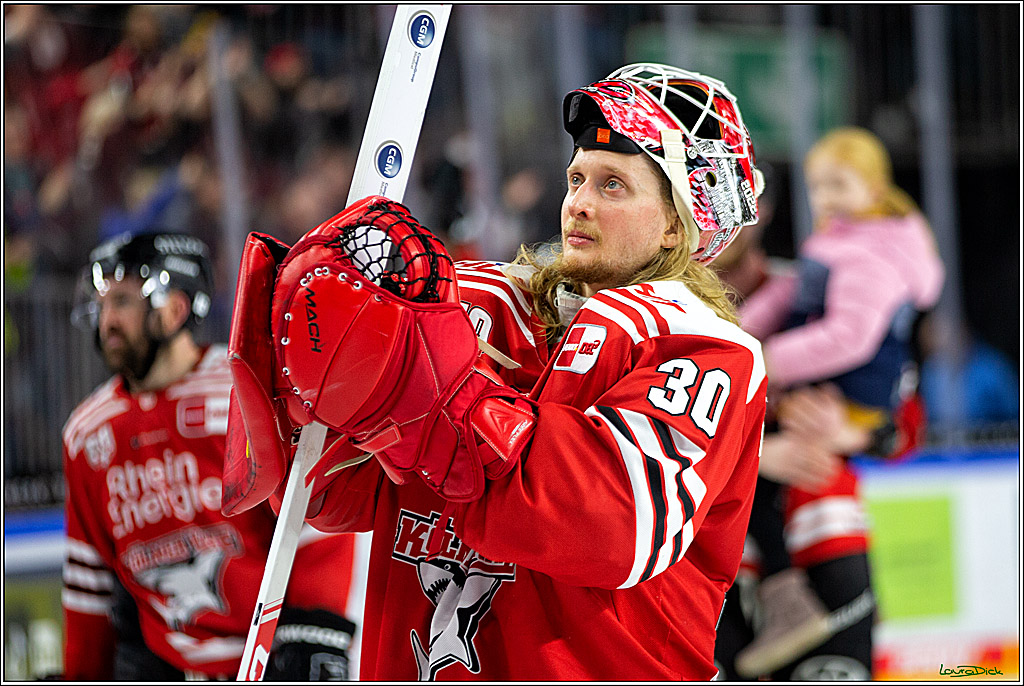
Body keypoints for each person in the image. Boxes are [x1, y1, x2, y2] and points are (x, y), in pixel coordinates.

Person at [226, 63, 768, 680]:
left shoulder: (704, 350)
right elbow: (331, 492)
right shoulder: (477, 309)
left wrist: (445, 393)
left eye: (613, 185)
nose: (579, 204)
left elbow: (612, 523)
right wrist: (321, 368)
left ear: (680, 221)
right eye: (577, 178)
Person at [61, 232, 358, 680]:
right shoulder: (87, 434)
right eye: (102, 304)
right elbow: (88, 581)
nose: (107, 320)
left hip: (271, 657)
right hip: (166, 666)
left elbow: (312, 517)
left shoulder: (246, 392)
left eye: (121, 301)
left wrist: (315, 630)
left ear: (175, 309)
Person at [713, 126, 945, 680]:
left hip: (825, 538)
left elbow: (908, 425)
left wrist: (858, 434)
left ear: (759, 206)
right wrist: (754, 453)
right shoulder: (650, 312)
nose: (715, 217)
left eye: (729, 196)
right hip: (710, 557)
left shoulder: (810, 287)